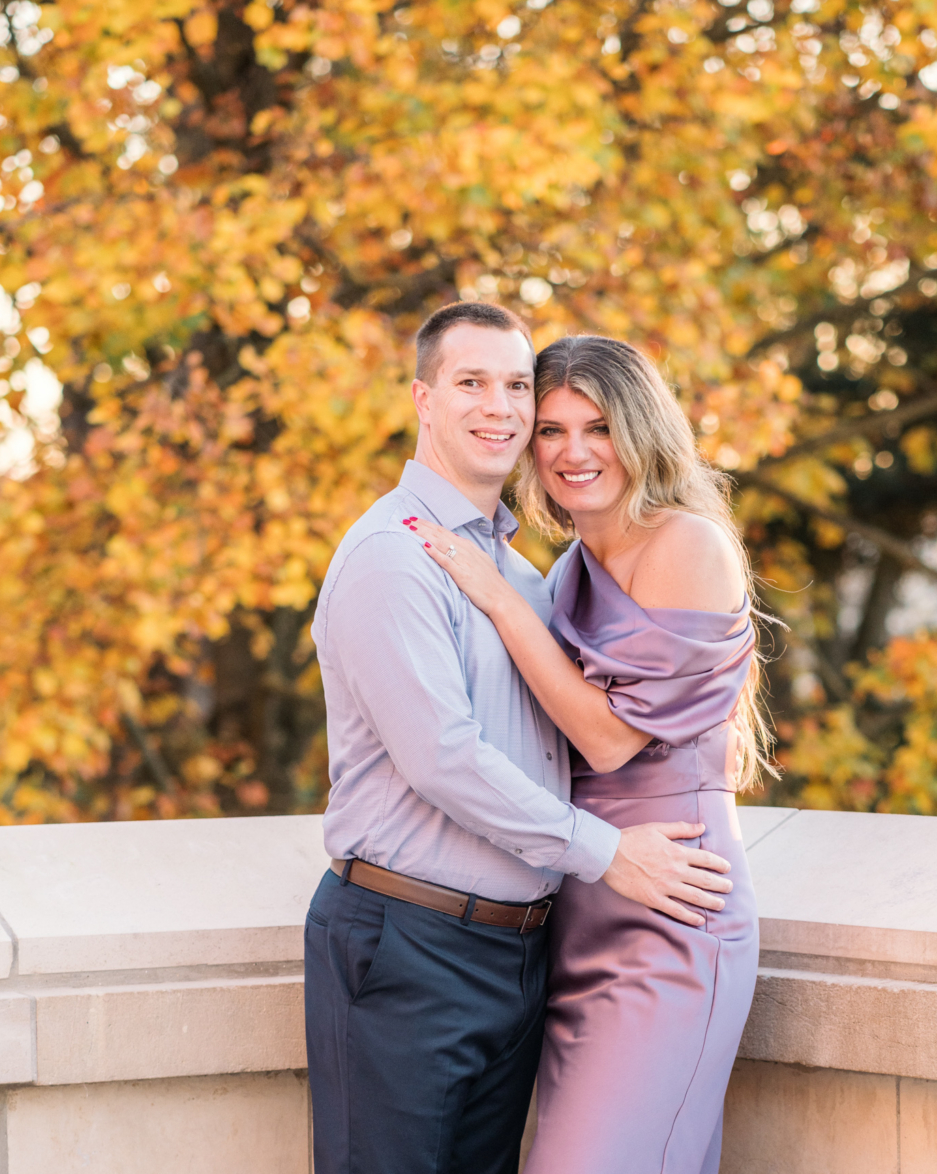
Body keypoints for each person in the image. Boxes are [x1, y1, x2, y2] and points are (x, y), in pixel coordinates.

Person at [304, 302, 736, 1174]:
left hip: (525, 949)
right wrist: (606, 852)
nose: (498, 407)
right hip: (410, 941)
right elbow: (442, 760)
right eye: (473, 384)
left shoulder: (523, 573)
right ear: (424, 399)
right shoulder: (397, 554)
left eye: (513, 386)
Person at [411, 333, 766, 1174]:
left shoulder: (687, 543)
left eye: (598, 428)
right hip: (580, 908)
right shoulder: (569, 564)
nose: (574, 453)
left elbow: (607, 741)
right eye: (554, 431)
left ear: (640, 431)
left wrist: (500, 600)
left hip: (672, 906)